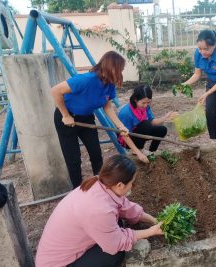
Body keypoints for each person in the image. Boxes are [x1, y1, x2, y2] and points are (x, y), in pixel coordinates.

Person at [35, 155, 163, 267]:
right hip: (61, 263)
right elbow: (115, 244)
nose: (132, 186)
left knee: (117, 222)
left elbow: (126, 207)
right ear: (120, 185)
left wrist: (155, 220)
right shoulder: (99, 209)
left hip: (64, 248)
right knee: (115, 255)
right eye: (132, 183)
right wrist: (150, 232)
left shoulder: (101, 182)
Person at [51, 51, 147, 189]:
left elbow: (107, 106)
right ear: (111, 66)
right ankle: (78, 191)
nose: (121, 72)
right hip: (67, 118)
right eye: (120, 68)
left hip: (86, 118)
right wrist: (65, 115)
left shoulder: (109, 84)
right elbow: (55, 91)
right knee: (73, 159)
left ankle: (102, 187)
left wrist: (120, 126)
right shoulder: (86, 80)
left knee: (96, 153)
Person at [182, 30, 216, 143]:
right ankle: (214, 139)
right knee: (209, 112)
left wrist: (207, 93)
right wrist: (183, 84)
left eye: (206, 49)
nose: (202, 52)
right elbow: (197, 74)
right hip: (212, 82)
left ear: (214, 45)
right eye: (200, 48)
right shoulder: (198, 54)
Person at [118, 85, 177, 154]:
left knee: (162, 130)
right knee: (145, 124)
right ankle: (137, 150)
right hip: (127, 140)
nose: (146, 105)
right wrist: (138, 153)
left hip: (141, 134)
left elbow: (152, 122)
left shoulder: (145, 107)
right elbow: (124, 135)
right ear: (135, 99)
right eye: (143, 103)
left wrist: (165, 117)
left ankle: (152, 152)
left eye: (148, 102)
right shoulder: (126, 113)